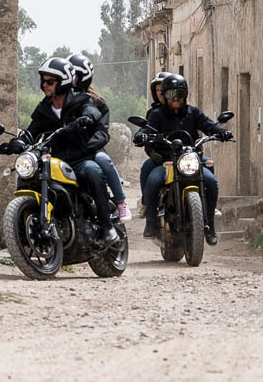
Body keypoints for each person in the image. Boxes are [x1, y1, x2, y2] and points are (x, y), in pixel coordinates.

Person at [20, 57, 120, 246]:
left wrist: (86, 118)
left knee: (93, 171)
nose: (45, 85)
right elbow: (31, 131)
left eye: (50, 81)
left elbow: (92, 111)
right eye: (43, 81)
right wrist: (17, 141)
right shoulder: (43, 108)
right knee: (27, 175)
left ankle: (107, 227)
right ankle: (23, 229)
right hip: (54, 160)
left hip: (79, 160)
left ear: (63, 81)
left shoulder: (81, 101)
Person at [135, 73, 230, 245]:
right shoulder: (157, 114)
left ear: (185, 94)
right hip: (166, 161)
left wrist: (221, 132)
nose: (176, 98)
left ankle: (210, 224)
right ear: (164, 96)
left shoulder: (193, 112)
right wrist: (142, 135)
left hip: (190, 158)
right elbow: (147, 129)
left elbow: (208, 124)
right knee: (153, 181)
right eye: (171, 94)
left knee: (211, 181)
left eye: (179, 93)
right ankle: (151, 223)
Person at [67, 53, 132, 222]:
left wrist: (86, 147)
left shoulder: (97, 102)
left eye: (73, 75)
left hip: (90, 149)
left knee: (103, 160)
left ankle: (121, 202)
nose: (69, 79)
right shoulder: (60, 100)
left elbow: (102, 132)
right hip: (67, 150)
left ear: (83, 77)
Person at [136, 71, 169, 217]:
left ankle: (209, 207)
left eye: (164, 89)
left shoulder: (187, 111)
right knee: (147, 169)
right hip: (161, 159)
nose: (161, 93)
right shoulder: (154, 113)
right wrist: (151, 151)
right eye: (158, 90)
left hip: (184, 159)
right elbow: (146, 130)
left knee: (207, 166)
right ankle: (147, 204)